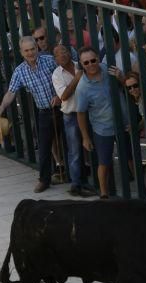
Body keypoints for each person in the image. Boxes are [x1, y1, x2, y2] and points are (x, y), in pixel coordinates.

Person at [0, 36, 60, 192]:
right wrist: (2, 106)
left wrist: (59, 96)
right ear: (21, 52)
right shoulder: (19, 71)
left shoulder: (50, 61)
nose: (30, 53)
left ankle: (77, 176)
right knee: (44, 148)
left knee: (72, 142)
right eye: (26, 50)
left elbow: (64, 75)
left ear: (37, 48)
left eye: (32, 49)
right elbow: (11, 92)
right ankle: (44, 180)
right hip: (44, 112)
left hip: (62, 107)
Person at [75, 46, 124, 199]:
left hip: (123, 123)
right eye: (86, 62)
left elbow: (127, 85)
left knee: (129, 156)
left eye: (93, 60)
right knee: (104, 161)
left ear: (97, 58)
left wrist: (121, 77)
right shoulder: (82, 88)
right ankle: (104, 194)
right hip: (102, 128)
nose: (91, 64)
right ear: (82, 65)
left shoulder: (108, 70)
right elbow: (81, 113)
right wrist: (85, 137)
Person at [52, 44, 95, 197]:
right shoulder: (57, 74)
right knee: (75, 151)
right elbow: (63, 95)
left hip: (89, 113)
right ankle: (76, 184)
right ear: (55, 59)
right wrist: (77, 78)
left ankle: (92, 182)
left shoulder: (82, 65)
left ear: (70, 53)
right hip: (71, 115)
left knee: (91, 147)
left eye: (64, 51)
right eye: (58, 54)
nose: (62, 55)